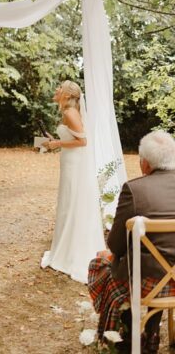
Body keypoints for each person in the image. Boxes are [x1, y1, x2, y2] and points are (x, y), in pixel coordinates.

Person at [88, 131, 175, 352]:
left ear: (145, 163)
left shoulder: (135, 189)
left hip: (147, 283)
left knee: (106, 264)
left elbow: (115, 245)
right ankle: (152, 334)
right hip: (171, 279)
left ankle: (126, 338)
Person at [40, 81, 105, 283]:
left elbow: (83, 141)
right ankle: (66, 246)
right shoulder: (68, 111)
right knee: (68, 203)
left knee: (71, 203)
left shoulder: (70, 113)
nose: (56, 90)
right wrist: (54, 141)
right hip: (69, 161)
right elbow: (74, 137)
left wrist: (57, 143)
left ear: (67, 95)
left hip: (74, 164)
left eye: (60, 88)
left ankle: (71, 253)